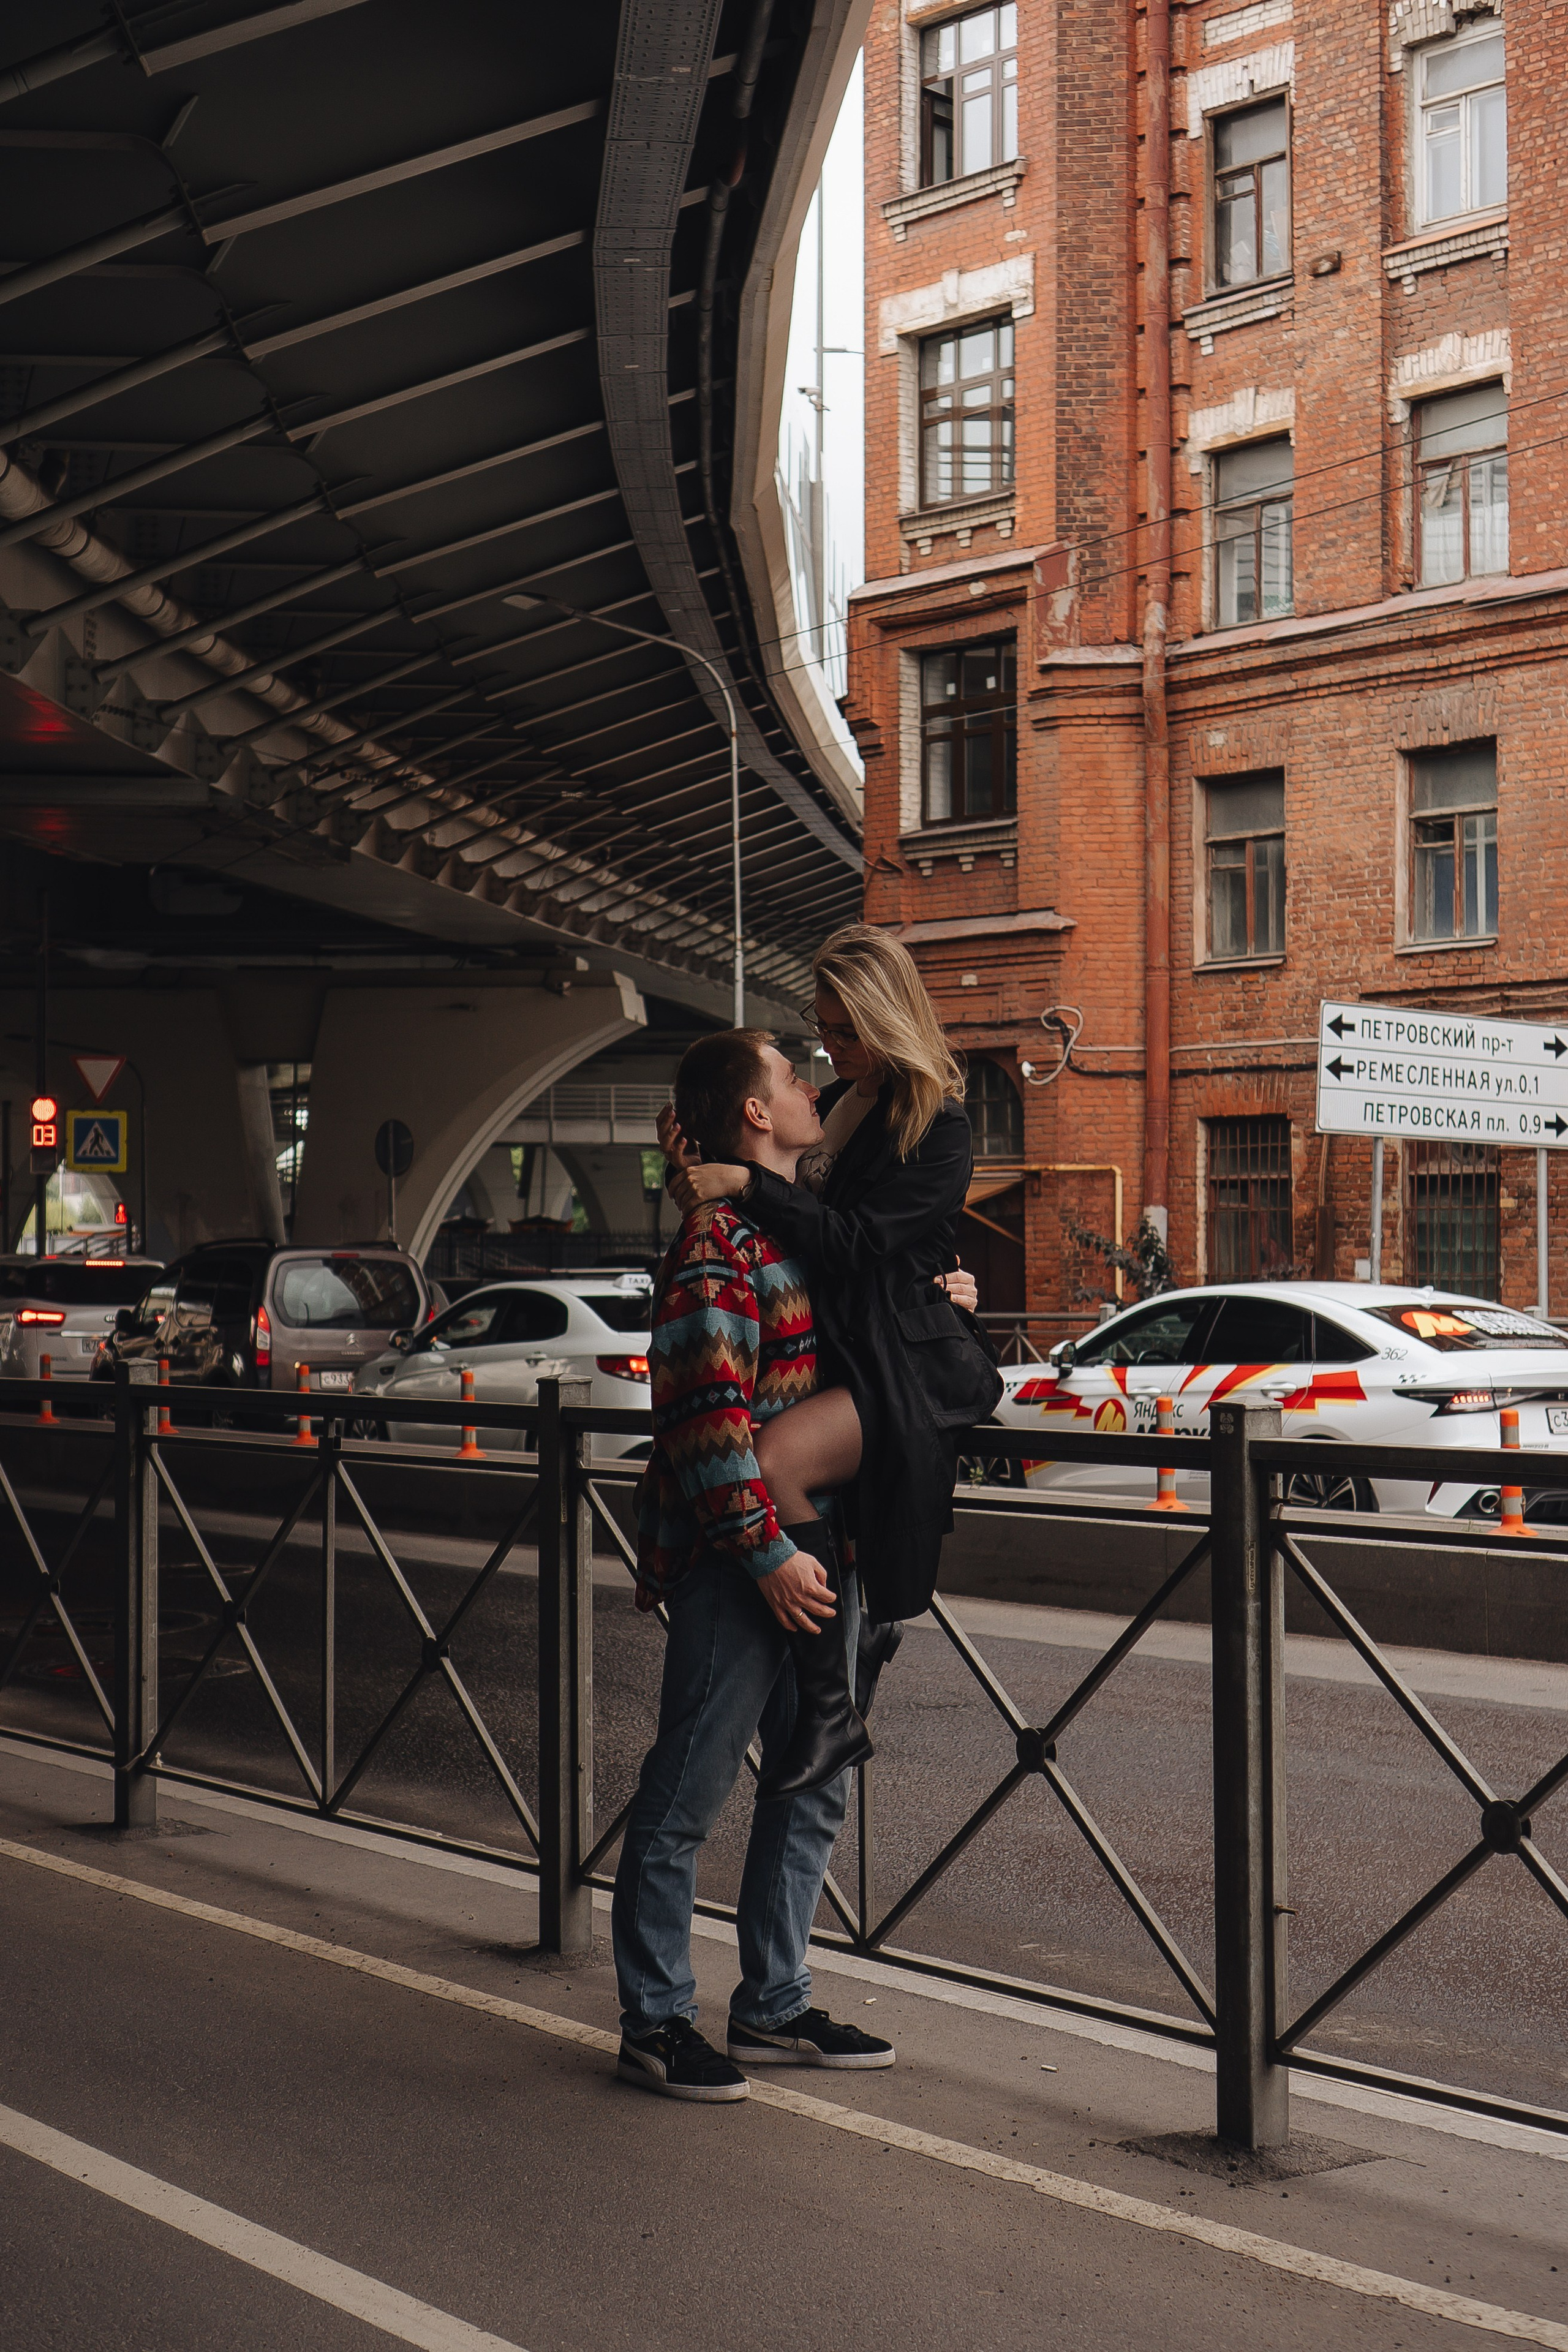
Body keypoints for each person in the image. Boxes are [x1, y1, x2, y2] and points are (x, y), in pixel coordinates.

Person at [613, 1027, 897, 2103]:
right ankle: (655, 2018)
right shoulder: (715, 1248)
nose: (811, 1083)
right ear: (755, 1117)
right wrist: (767, 1552)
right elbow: (702, 1422)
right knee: (686, 1792)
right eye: (790, 1074)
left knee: (808, 1781)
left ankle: (775, 2002)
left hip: (828, 1548)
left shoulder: (801, 1232)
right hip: (749, 1563)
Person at [665, 927, 1003, 1711]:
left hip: (892, 1362)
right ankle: (833, 1693)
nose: (829, 1046)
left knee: (783, 1464)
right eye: (823, 1027)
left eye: (846, 1030)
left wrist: (743, 1182)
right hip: (830, 1357)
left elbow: (861, 1242)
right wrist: (702, 1168)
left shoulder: (937, 1124)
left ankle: (833, 1698)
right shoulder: (835, 1109)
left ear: (889, 1021)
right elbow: (774, 1210)